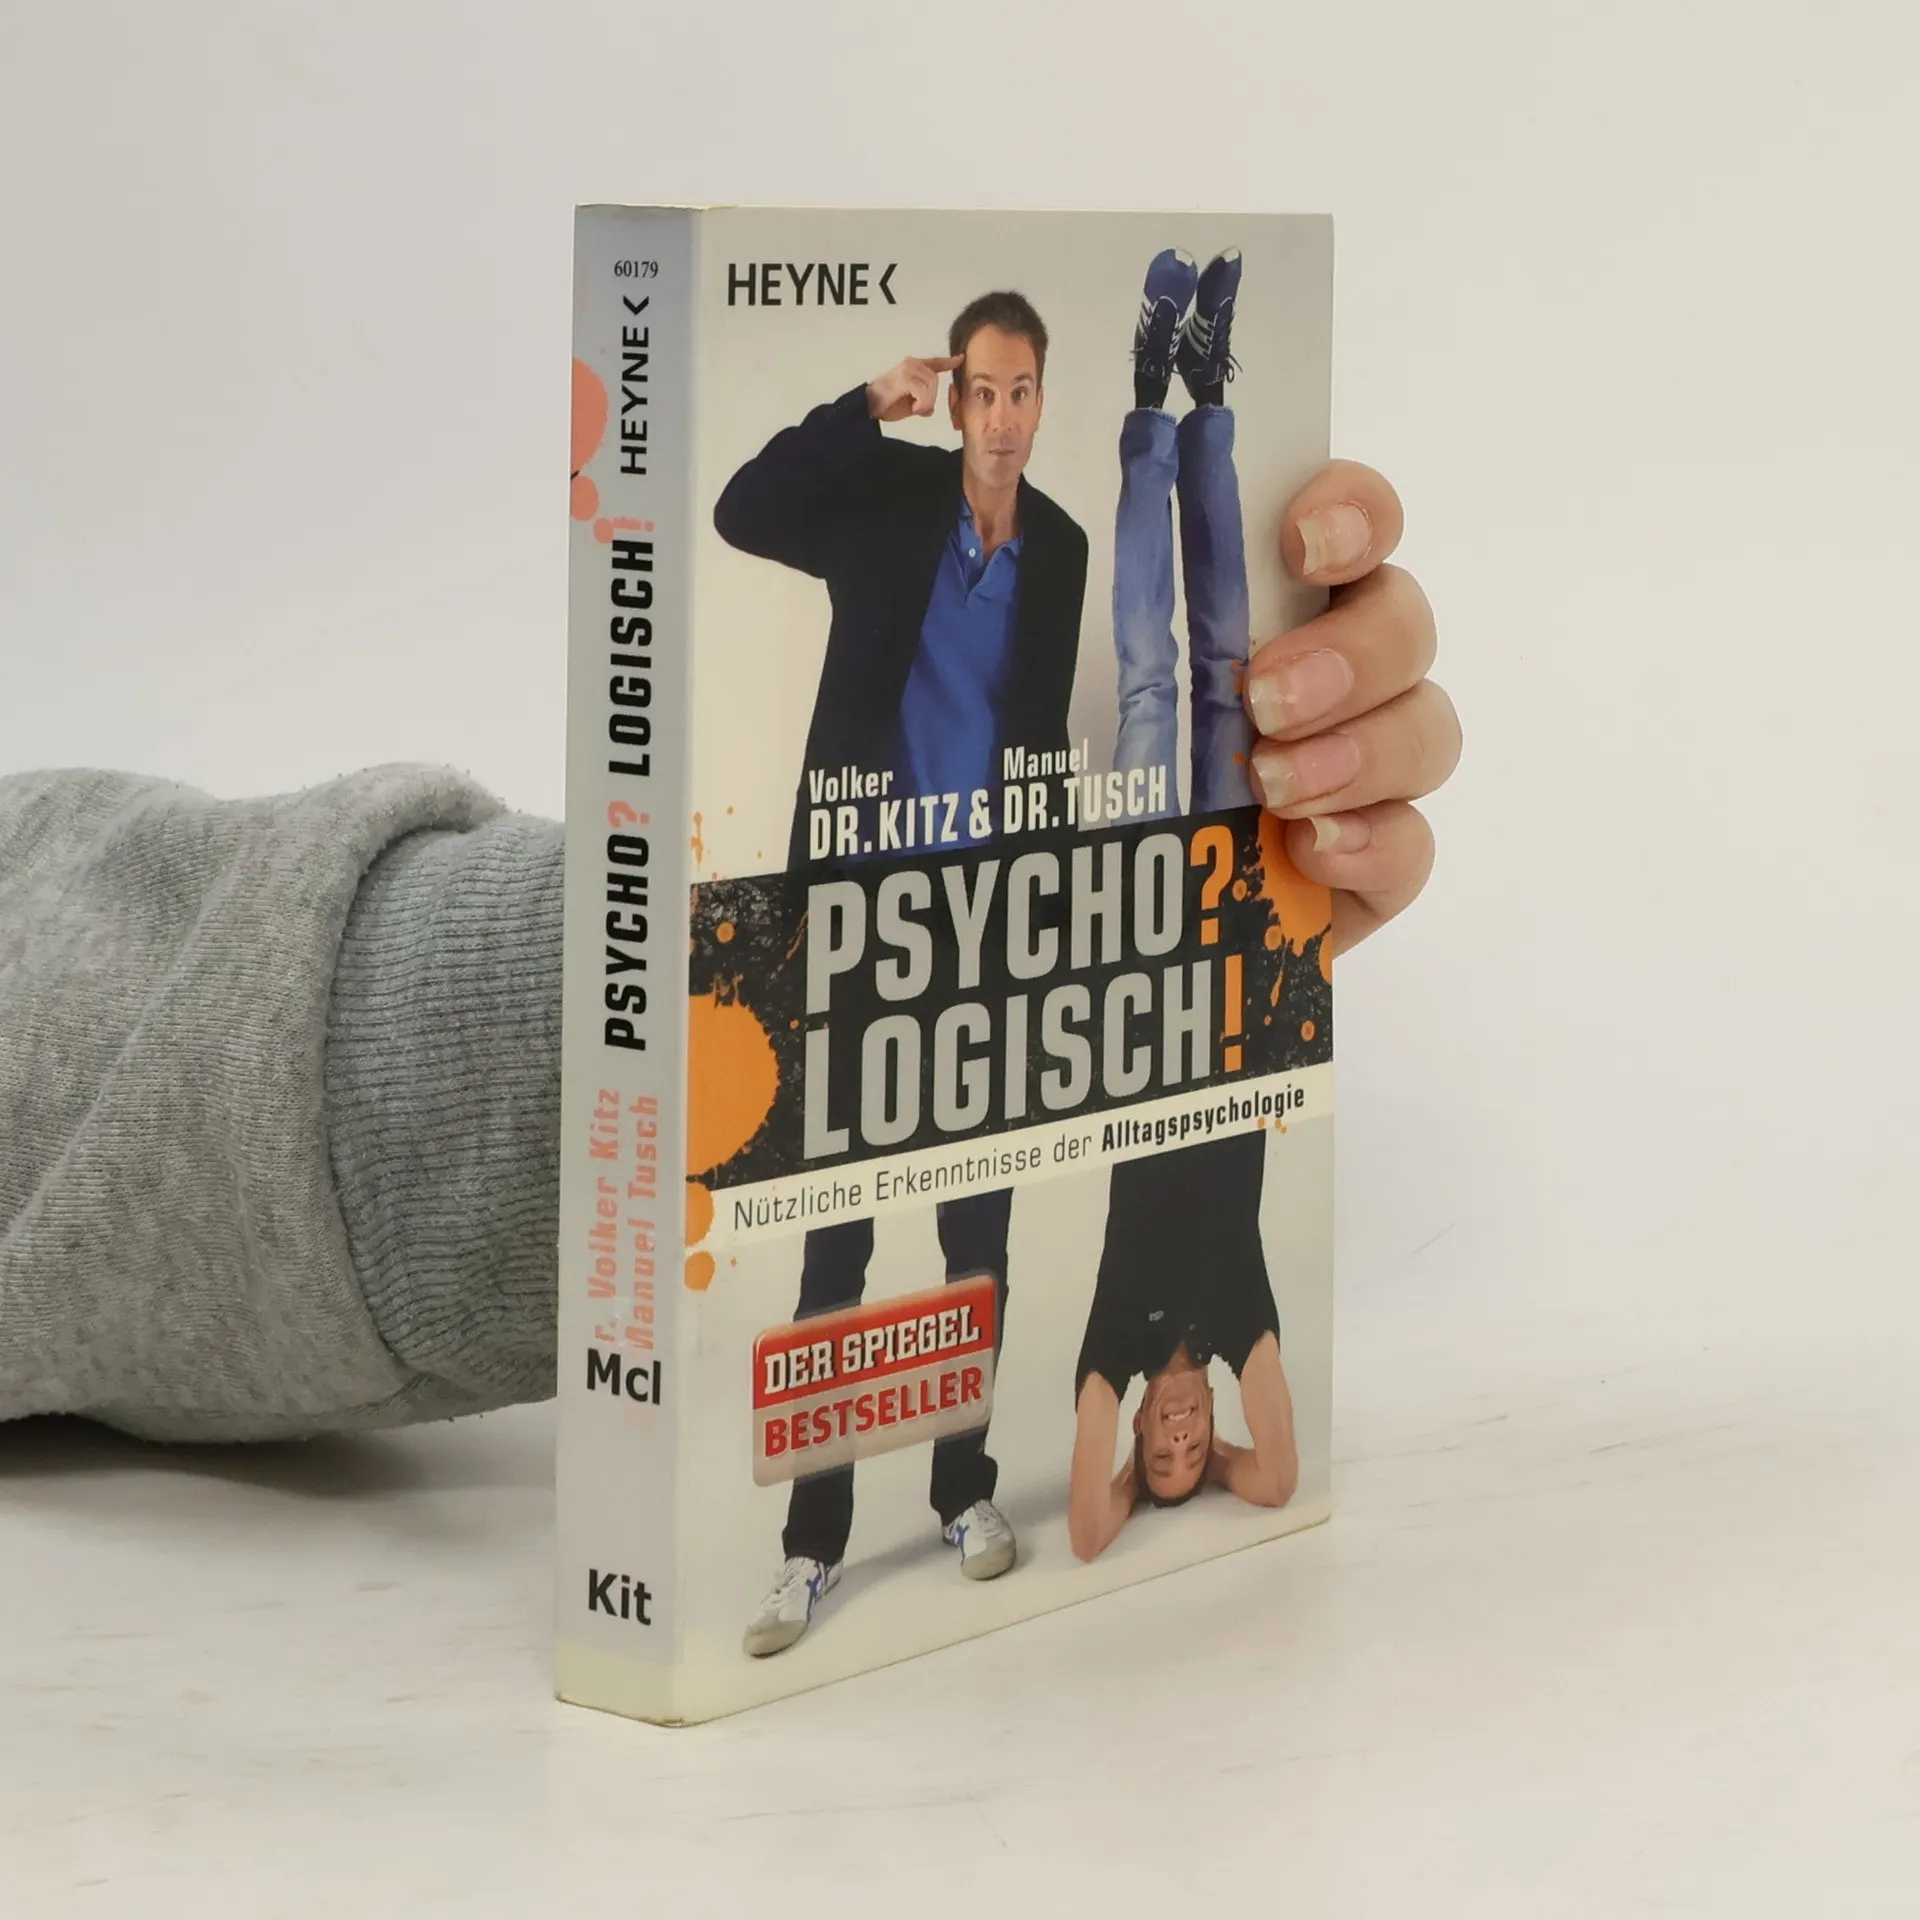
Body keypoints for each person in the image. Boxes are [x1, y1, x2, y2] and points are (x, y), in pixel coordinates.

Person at [0, 464, 1459, 1506]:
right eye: (1195, 1443)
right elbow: (750, 509)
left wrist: (673, 993)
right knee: (1167, 683)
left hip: (991, 950)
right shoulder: (1199, 1327)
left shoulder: (1117, 1344)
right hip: (954, 953)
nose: (1186, 1439)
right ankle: (1179, 427)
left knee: (1170, 695)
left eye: (1170, 1447)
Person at [711, 293, 1088, 1655]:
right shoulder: (886, 500)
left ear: (1042, 399)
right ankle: (810, 1545)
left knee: (977, 1232)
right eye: (981, 390)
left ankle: (961, 1489)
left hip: (984, 933)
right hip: (860, 919)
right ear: (956, 392)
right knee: (841, 1236)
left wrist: (1048, 917)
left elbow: (1038, 744)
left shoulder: (1063, 549)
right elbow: (742, 512)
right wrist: (867, 405)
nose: (1001, 418)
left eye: (1022, 391)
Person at [1067, 1130, 1296, 1561]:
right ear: (1211, 1414)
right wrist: (1218, 1462)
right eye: (1194, 1449)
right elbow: (1278, 1481)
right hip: (1232, 1096)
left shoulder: (1118, 1335)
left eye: (1161, 1456)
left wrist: (1135, 1479)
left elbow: (1086, 1537)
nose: (1181, 1439)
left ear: (1139, 1423)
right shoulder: (1237, 1318)